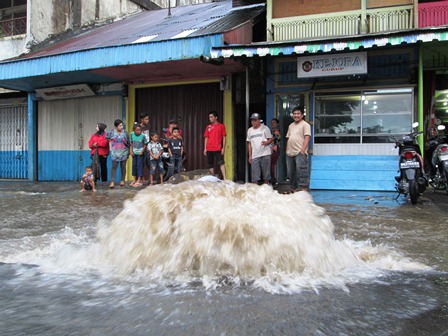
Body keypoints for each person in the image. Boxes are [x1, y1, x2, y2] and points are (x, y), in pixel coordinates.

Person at [286, 106, 311, 192]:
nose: (296, 115)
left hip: (300, 152)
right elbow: (288, 138)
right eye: (294, 114)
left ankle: (304, 190)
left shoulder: (305, 125)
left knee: (302, 171)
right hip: (290, 153)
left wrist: (303, 151)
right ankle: (293, 189)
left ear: (302, 115)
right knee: (291, 172)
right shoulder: (291, 125)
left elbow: (307, 137)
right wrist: (287, 150)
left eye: (298, 114)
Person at [247, 113, 273, 185]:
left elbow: (271, 139)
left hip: (265, 153)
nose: (254, 122)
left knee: (266, 174)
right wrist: (250, 155)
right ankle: (256, 191)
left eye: (255, 120)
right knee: (255, 176)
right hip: (255, 155)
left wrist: (266, 142)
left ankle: (266, 188)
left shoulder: (265, 128)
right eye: (252, 120)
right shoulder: (250, 130)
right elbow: (249, 143)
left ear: (259, 121)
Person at [106, 119, 130, 189]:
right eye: (120, 126)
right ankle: (112, 181)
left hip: (124, 152)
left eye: (122, 125)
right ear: (116, 126)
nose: (122, 127)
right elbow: (107, 138)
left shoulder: (125, 133)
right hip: (115, 152)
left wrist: (126, 143)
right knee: (114, 167)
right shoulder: (112, 132)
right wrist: (111, 140)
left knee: (123, 167)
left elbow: (129, 143)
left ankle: (122, 180)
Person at [204, 111, 226, 179]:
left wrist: (223, 148)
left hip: (218, 148)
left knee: (221, 163)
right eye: (209, 117)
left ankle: (225, 178)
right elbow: (206, 138)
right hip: (209, 148)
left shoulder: (221, 126)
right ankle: (212, 178)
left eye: (211, 117)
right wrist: (205, 148)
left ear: (216, 117)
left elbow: (224, 137)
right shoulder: (208, 127)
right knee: (210, 165)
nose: (210, 118)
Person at [139, 113, 152, 185]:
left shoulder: (148, 127)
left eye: (148, 119)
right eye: (146, 119)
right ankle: (142, 179)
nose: (147, 121)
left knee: (149, 163)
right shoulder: (138, 127)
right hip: (141, 148)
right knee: (141, 164)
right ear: (142, 120)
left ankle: (151, 179)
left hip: (148, 148)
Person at [270, 118, 281, 186]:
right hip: (271, 150)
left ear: (277, 124)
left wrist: (273, 149)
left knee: (272, 166)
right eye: (271, 122)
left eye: (274, 122)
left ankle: (274, 181)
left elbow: (275, 142)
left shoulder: (276, 132)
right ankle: (273, 180)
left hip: (274, 151)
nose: (272, 124)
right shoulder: (271, 131)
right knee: (271, 166)